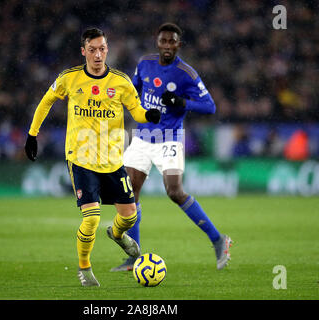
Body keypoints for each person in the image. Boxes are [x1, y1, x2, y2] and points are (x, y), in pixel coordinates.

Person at [24, 28, 161, 287]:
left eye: (102, 49)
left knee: (130, 215)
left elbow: (137, 111)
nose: (98, 55)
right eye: (93, 49)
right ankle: (84, 268)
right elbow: (46, 101)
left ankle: (118, 234)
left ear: (107, 50)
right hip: (81, 158)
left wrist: (149, 116)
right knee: (92, 217)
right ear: (83, 51)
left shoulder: (120, 82)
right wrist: (32, 135)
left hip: (113, 161)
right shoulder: (69, 78)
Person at [110, 23, 233, 272]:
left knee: (174, 191)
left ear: (179, 44)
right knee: (130, 195)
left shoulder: (186, 74)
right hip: (142, 137)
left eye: (172, 42)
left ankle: (219, 240)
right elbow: (133, 90)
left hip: (169, 138)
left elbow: (210, 107)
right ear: (158, 43)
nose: (167, 46)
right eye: (163, 41)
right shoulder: (145, 64)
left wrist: (181, 102)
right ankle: (135, 256)